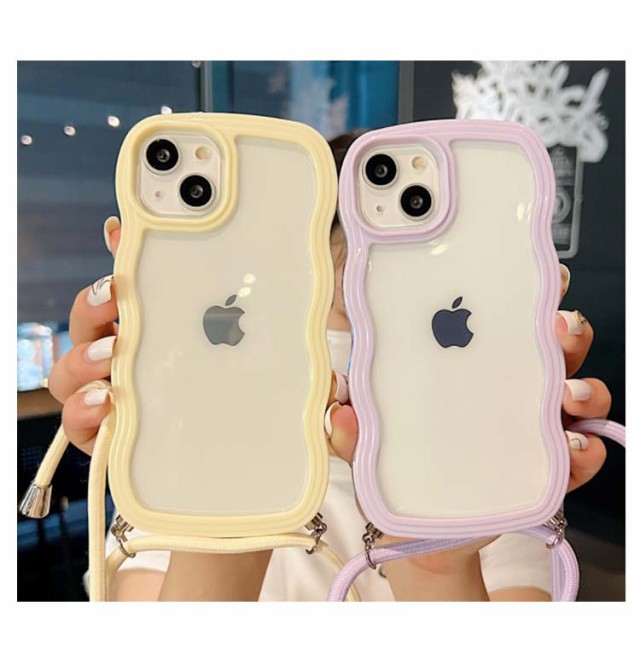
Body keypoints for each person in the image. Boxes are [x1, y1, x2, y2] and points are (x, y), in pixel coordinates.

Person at [47, 132, 610, 601]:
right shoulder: (182, 451)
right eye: (341, 298)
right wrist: (226, 515)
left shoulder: (485, 468)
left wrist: (435, 566)